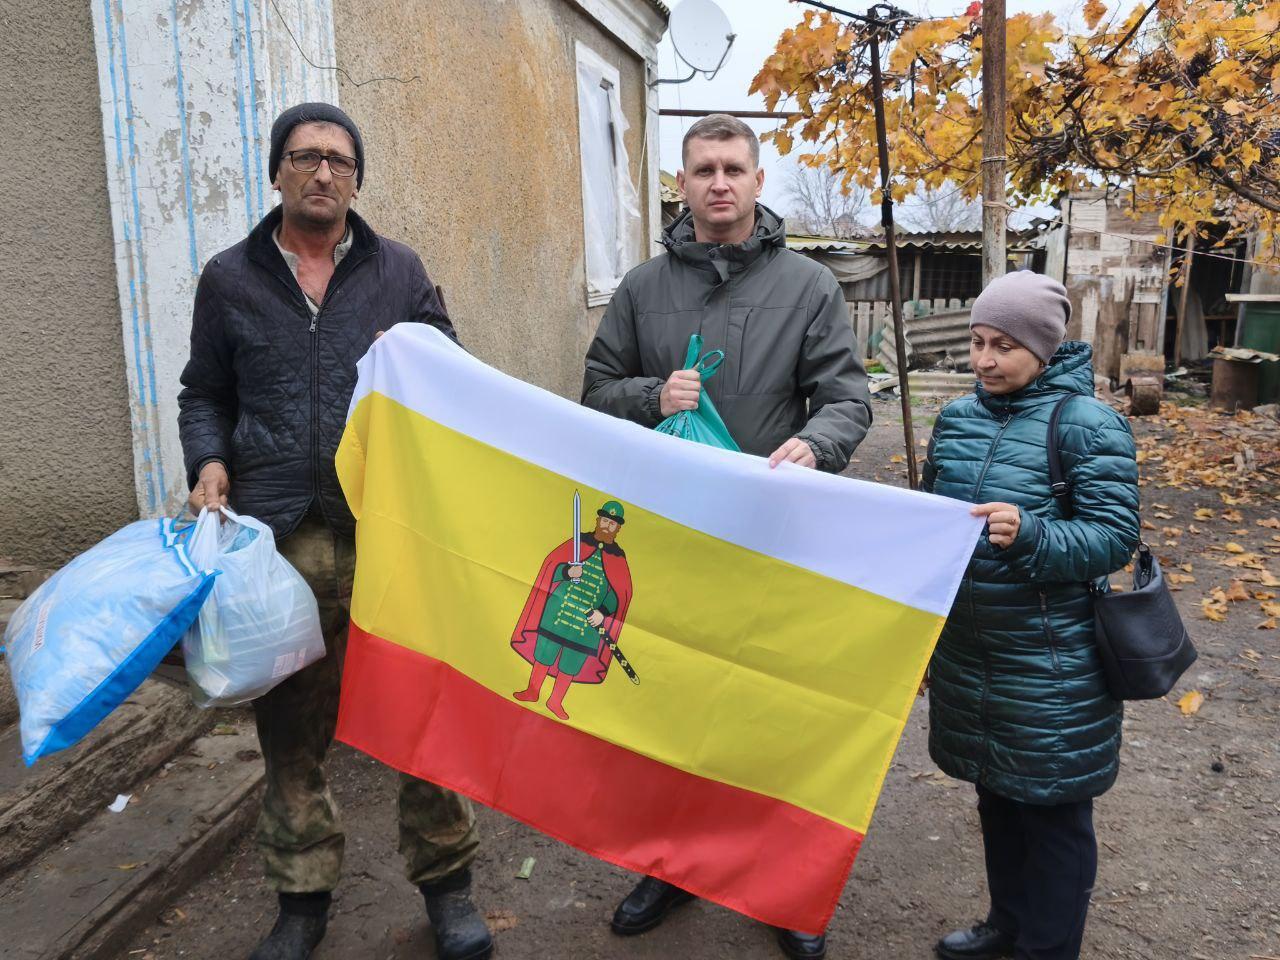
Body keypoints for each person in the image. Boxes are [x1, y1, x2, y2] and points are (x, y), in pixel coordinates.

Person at [177, 103, 491, 960]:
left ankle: (448, 886)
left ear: (359, 177)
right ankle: (302, 897)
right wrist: (206, 463)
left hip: (388, 525)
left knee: (423, 706)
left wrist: (417, 351)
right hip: (282, 539)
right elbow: (204, 391)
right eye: (305, 157)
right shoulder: (229, 279)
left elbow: (449, 375)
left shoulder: (397, 273)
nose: (323, 173)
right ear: (276, 171)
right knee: (290, 723)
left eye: (340, 161)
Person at [582, 112, 872, 960]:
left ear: (756, 181)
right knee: (673, 699)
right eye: (703, 168)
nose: (718, 183)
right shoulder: (642, 288)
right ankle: (671, 863)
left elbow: (848, 397)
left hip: (771, 531)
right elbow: (594, 391)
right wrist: (648, 398)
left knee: (771, 704)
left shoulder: (809, 287)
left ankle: (780, 881)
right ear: (682, 183)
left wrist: (818, 445)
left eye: (733, 169)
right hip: (672, 534)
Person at [921, 271, 1140, 960]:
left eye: (1005, 346)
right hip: (971, 653)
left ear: (1045, 347)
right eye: (978, 342)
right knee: (998, 801)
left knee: (1052, 817)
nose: (985, 360)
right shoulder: (956, 420)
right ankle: (1005, 925)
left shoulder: (1088, 424)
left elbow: (1114, 535)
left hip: (1052, 665)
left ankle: (1048, 949)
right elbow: (935, 527)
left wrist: (1038, 534)